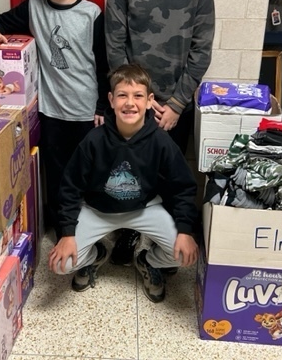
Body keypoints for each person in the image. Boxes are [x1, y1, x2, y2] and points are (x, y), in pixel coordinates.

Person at [104, 0, 215, 265]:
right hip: (133, 104)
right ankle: (128, 233)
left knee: (169, 174)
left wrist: (176, 104)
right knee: (127, 172)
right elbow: (115, 49)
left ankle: (162, 249)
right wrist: (137, 101)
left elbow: (201, 52)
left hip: (176, 105)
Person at [0, 0, 109, 239]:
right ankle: (64, 229)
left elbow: (104, 64)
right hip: (51, 111)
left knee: (89, 172)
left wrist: (102, 106)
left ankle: (89, 230)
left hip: (86, 112)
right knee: (57, 172)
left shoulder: (92, 13)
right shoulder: (34, 7)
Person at [47, 64, 199, 303]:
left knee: (184, 255)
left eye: (138, 96)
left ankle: (147, 261)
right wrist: (67, 233)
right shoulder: (93, 141)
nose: (130, 103)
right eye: (122, 95)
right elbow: (70, 187)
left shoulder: (161, 141)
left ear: (149, 101)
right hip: (98, 211)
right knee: (61, 264)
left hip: (144, 208)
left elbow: (182, 187)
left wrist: (185, 230)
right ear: (111, 99)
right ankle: (96, 254)